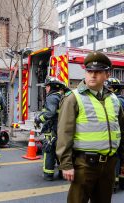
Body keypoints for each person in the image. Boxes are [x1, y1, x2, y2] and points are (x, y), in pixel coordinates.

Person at [56, 51, 124, 203]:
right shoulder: (74, 98)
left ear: (107, 75)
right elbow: (64, 133)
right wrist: (66, 164)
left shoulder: (114, 100)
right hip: (84, 164)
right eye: (89, 71)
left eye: (98, 72)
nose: (93, 75)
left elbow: (120, 130)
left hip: (109, 164)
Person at [34, 76, 66, 181]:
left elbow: (50, 113)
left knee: (49, 151)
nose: (45, 88)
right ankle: (62, 173)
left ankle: (48, 174)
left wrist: (39, 119)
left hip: (52, 129)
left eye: (47, 86)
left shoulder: (51, 97)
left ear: (51, 87)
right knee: (60, 151)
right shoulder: (61, 96)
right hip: (60, 129)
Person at [105, 77, 124, 191]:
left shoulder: (115, 101)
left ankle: (113, 183)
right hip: (118, 133)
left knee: (115, 157)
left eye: (109, 87)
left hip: (117, 134)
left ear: (114, 89)